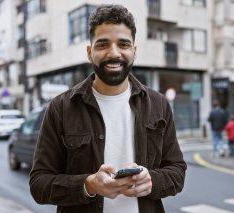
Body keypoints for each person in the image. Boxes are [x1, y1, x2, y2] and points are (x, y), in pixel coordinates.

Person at [29, 4, 186, 213]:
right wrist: (89, 185)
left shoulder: (158, 104)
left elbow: (177, 172)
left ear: (134, 51)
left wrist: (153, 181)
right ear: (89, 52)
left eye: (123, 44)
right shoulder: (61, 108)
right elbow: (39, 184)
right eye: (102, 45)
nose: (114, 53)